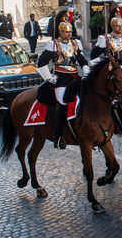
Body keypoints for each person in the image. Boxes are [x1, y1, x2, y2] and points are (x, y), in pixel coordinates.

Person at [36, 10, 88, 149]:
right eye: (66, 32)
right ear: (60, 32)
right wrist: (49, 78)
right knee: (62, 101)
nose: (69, 34)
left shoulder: (75, 43)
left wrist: (86, 70)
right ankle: (58, 136)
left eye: (70, 32)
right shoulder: (53, 44)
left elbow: (82, 60)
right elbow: (41, 62)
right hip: (60, 78)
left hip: (74, 76)